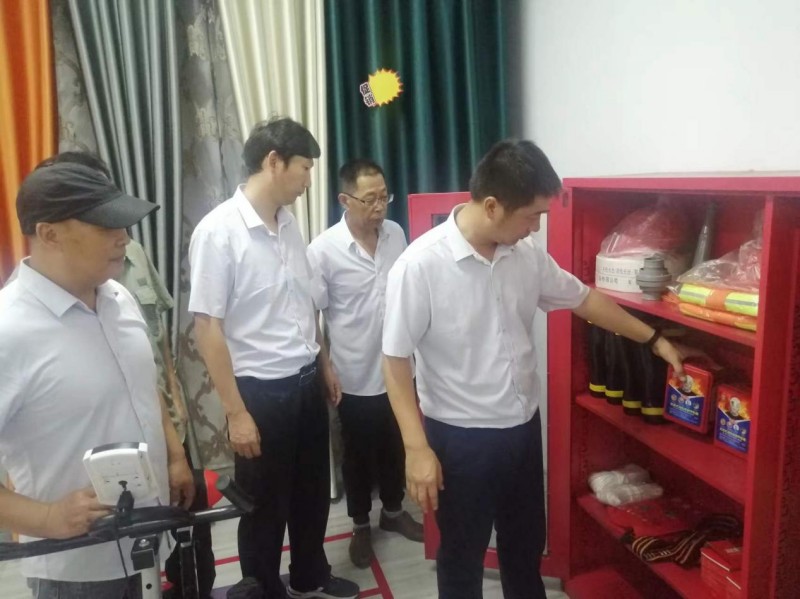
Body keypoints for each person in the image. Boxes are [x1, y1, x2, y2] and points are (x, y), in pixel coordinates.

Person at [381, 139, 685, 599]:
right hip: (461, 440)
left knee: (524, 550)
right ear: (491, 206)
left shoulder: (526, 257)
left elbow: (584, 300)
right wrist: (416, 447)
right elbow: (394, 361)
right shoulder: (420, 267)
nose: (536, 228)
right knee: (461, 560)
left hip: (522, 430)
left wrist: (653, 339)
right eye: (531, 216)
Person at [0, 162, 195, 599]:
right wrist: (47, 518)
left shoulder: (119, 296)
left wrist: (174, 455)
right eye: (106, 226)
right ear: (49, 234)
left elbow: (140, 386)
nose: (123, 237)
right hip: (77, 566)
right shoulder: (8, 330)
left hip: (149, 539)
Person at [188, 117, 359, 599]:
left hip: (305, 381)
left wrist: (323, 363)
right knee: (264, 503)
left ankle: (309, 574)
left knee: (311, 490)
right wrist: (235, 413)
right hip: (260, 393)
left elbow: (303, 303)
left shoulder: (288, 225)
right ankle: (261, 587)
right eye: (304, 167)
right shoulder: (218, 232)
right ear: (273, 162)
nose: (309, 180)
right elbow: (207, 327)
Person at [307, 159, 422, 569]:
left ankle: (393, 511)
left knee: (395, 443)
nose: (379, 206)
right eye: (370, 199)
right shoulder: (323, 250)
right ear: (345, 199)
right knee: (356, 453)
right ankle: (359, 524)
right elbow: (311, 314)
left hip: (399, 367)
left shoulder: (396, 234)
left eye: (384, 197)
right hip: (353, 372)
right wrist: (325, 367)